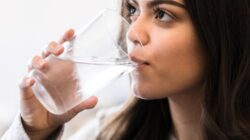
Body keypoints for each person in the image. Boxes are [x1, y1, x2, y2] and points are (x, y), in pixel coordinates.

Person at [2, 0, 250, 139]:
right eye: (132, 9)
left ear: (222, 32)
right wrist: (34, 131)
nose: (132, 32)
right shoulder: (108, 133)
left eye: (162, 14)